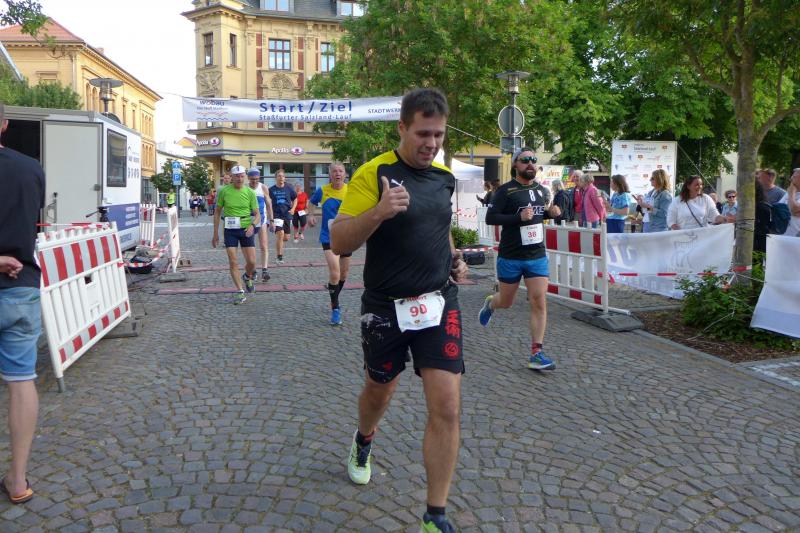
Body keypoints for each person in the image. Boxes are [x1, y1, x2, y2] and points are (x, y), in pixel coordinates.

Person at [330, 88, 468, 533]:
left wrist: (453, 258)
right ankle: (364, 439)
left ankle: (435, 515)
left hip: (438, 302)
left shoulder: (444, 178)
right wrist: (379, 212)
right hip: (385, 309)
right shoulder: (375, 174)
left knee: (447, 406)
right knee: (379, 391)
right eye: (423, 134)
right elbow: (339, 240)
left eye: (439, 135)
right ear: (402, 128)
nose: (431, 143)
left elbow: (440, 228)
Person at [478, 146, 562, 371]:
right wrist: (518, 217)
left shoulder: (542, 190)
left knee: (539, 300)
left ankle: (537, 353)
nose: (531, 163)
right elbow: (491, 218)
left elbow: (538, 215)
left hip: (536, 255)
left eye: (533, 159)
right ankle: (491, 303)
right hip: (511, 255)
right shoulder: (505, 191)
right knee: (506, 302)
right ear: (515, 164)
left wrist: (551, 213)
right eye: (525, 160)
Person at [0, 101, 45, 505]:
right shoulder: (31, 168)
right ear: (4, 124)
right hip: (21, 287)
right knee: (21, 380)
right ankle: (17, 481)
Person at [309, 162, 351, 325]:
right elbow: (312, 202)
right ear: (330, 175)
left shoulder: (351, 190)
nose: (337, 173)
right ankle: (336, 309)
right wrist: (310, 215)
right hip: (329, 236)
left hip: (346, 236)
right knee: (335, 273)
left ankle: (334, 297)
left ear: (345, 174)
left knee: (344, 274)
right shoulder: (323, 190)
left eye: (340, 171)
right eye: (334, 171)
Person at [212, 165, 260, 304]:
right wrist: (215, 234)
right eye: (237, 176)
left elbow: (258, 215)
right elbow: (217, 212)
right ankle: (240, 291)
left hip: (246, 228)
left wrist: (252, 225)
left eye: (242, 176)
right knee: (233, 261)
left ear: (245, 177)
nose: (239, 178)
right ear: (232, 177)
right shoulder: (224, 191)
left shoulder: (250, 192)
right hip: (230, 230)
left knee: (252, 262)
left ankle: (247, 276)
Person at [247, 167, 274, 282]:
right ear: (248, 178)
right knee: (250, 247)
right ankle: (253, 270)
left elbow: (269, 204)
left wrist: (271, 220)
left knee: (263, 245)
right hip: (248, 220)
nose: (254, 181)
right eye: (252, 179)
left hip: (262, 219)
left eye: (257, 179)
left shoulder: (263, 187)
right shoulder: (245, 188)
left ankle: (264, 270)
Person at [268, 170, 297, 264]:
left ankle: (279, 242)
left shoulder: (289, 188)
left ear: (285, 178)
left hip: (287, 214)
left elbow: (295, 199)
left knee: (286, 237)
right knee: (280, 233)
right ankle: (279, 257)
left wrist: (293, 209)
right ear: (275, 178)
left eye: (283, 176)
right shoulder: (271, 190)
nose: (281, 178)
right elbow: (268, 203)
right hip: (276, 215)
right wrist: (269, 216)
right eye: (279, 176)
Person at [780, 168, 800, 237]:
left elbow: (794, 209)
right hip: (781, 236)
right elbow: (779, 208)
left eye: (794, 176)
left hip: (795, 239)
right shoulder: (790, 191)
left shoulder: (791, 191)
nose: (790, 179)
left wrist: (791, 194)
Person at [753, 182, 772, 254]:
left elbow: (761, 228)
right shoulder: (764, 204)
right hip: (762, 240)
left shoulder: (761, 206)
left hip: (759, 242)